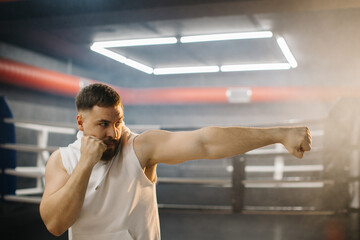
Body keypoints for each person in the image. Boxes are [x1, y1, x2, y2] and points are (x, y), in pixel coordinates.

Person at [39, 83, 312, 240]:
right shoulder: (62, 160)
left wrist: (279, 134)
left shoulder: (138, 147)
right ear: (80, 122)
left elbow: (205, 142)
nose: (113, 132)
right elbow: (56, 224)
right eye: (102, 124)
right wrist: (86, 163)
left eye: (118, 121)